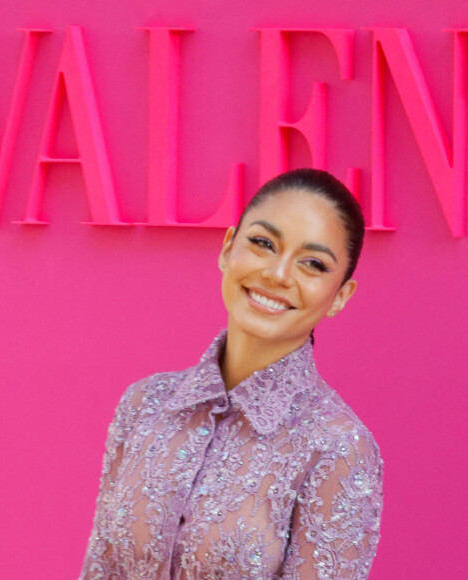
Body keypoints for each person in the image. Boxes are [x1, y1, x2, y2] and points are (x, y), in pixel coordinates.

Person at [80, 168, 384, 580]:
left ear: (339, 297)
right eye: (263, 243)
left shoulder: (337, 447)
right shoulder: (144, 404)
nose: (278, 274)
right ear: (227, 248)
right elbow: (101, 569)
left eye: (312, 264)